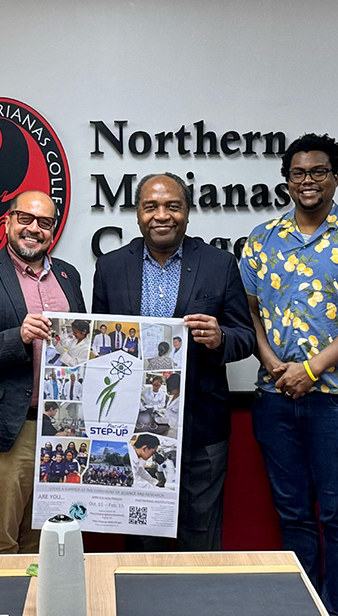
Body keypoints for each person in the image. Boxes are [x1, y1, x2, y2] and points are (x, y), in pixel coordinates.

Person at [240, 133, 338, 616]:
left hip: (336, 400)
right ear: (287, 180)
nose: (308, 181)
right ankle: (305, 615)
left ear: (335, 176)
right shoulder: (261, 239)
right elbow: (251, 315)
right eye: (299, 173)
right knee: (294, 513)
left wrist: (311, 369)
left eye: (318, 172)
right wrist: (274, 364)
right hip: (274, 397)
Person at [93, 172, 254, 550]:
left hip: (203, 430)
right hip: (137, 430)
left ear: (187, 212)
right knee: (143, 536)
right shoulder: (112, 267)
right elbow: (100, 348)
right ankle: (142, 608)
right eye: (151, 207)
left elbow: (244, 336)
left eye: (172, 206)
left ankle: (196, 609)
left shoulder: (219, 264)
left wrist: (221, 338)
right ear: (137, 214)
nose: (161, 215)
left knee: (201, 537)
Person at [0, 190, 86, 554]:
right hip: (9, 427)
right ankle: (4, 609)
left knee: (48, 540)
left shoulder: (69, 276)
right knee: (1, 539)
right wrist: (18, 338)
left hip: (63, 429)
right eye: (25, 218)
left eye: (44, 222)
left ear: (53, 230)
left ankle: (41, 611)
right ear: (7, 221)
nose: (34, 229)